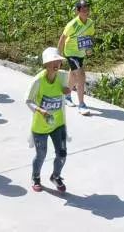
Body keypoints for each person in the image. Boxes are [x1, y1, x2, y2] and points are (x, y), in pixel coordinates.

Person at [26, 47, 71, 193]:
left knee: (62, 154)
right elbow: (28, 100)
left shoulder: (63, 76)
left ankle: (55, 176)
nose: (56, 64)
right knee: (41, 155)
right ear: (46, 64)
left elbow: (71, 81)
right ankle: (36, 177)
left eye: (58, 61)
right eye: (53, 61)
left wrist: (68, 90)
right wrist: (40, 110)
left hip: (58, 124)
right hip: (41, 127)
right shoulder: (38, 81)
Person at [57, 0, 94, 116]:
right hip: (71, 52)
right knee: (81, 75)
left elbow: (90, 37)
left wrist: (89, 48)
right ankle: (82, 105)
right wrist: (58, 56)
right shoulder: (72, 24)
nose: (86, 12)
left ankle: (67, 96)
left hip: (81, 53)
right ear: (78, 11)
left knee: (73, 74)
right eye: (83, 10)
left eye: (87, 9)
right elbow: (62, 39)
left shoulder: (90, 23)